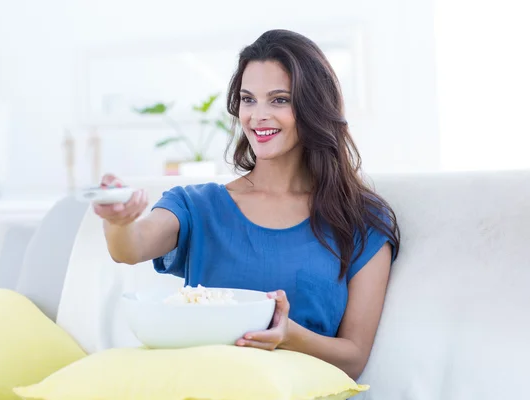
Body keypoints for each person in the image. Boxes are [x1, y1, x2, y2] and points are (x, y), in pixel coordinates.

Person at [93, 29, 400, 380]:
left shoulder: (362, 221)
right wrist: (118, 222)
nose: (257, 116)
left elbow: (354, 358)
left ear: (314, 106)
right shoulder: (198, 205)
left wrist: (289, 335)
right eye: (248, 99)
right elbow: (131, 247)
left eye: (279, 99)